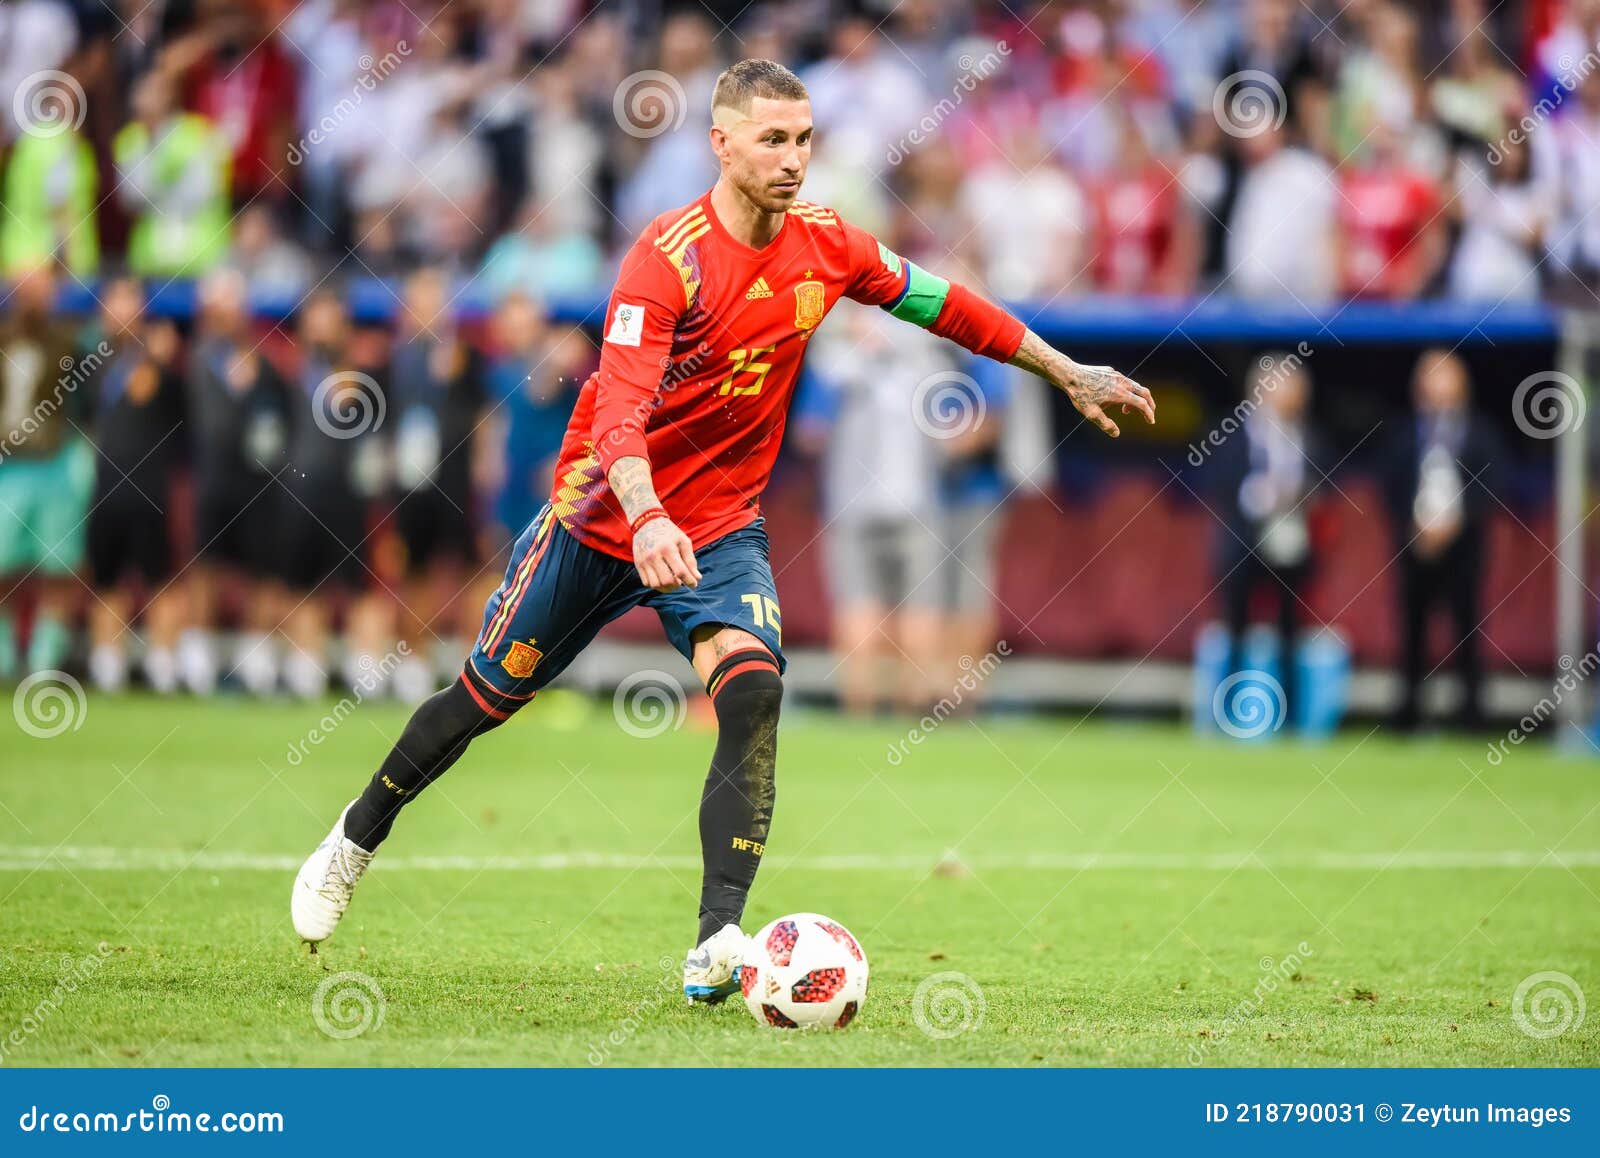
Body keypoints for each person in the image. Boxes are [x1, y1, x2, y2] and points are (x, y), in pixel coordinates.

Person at [290, 59, 1154, 1003]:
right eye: (774, 140)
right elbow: (619, 410)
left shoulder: (829, 247)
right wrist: (646, 511)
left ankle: (718, 939)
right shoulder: (666, 257)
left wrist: (1064, 367)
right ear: (723, 143)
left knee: (751, 691)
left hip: (720, 526)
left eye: (805, 140)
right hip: (603, 510)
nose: (794, 159)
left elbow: (947, 305)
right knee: (484, 698)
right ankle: (357, 832)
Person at [181, 269, 293, 695]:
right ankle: (197, 654)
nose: (225, 314)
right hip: (212, 484)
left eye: (232, 304)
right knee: (206, 566)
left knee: (263, 570)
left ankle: (258, 654)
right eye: (218, 306)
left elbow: (284, 422)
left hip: (260, 485)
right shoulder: (196, 361)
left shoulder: (267, 364)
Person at [1382, 349, 1502, 731]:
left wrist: (1457, 523)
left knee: (1467, 628)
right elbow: (1389, 486)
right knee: (1412, 631)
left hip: (1464, 547)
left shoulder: (1480, 432)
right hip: (1414, 545)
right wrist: (1414, 527)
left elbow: (1493, 485)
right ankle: (1408, 715)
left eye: (1445, 378)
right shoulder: (1403, 434)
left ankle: (1472, 715)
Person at [1211, 355, 1327, 727]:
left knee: (1291, 633)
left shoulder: (1309, 435)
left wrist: (1300, 494)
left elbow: (1325, 480)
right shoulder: (1233, 432)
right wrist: (1258, 494)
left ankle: (1290, 720)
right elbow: (1217, 482)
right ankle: (1229, 716)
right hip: (1244, 543)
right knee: (1236, 631)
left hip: (1292, 543)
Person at [83, 277, 186, 693]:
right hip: (104, 488)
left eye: (130, 302)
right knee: (107, 579)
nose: (123, 311)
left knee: (160, 577)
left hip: (150, 489)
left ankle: (162, 661)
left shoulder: (161, 357)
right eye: (115, 302)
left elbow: (181, 419)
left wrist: (161, 363)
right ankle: (108, 661)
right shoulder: (89, 360)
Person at [0, 265, 90, 680]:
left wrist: (80, 455)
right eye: (27, 288)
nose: (35, 296)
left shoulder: (69, 341)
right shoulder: (4, 339)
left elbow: (86, 405)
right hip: (8, 466)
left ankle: (44, 655)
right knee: (4, 564)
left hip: (53, 464)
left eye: (43, 289)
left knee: (58, 565)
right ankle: (3, 652)